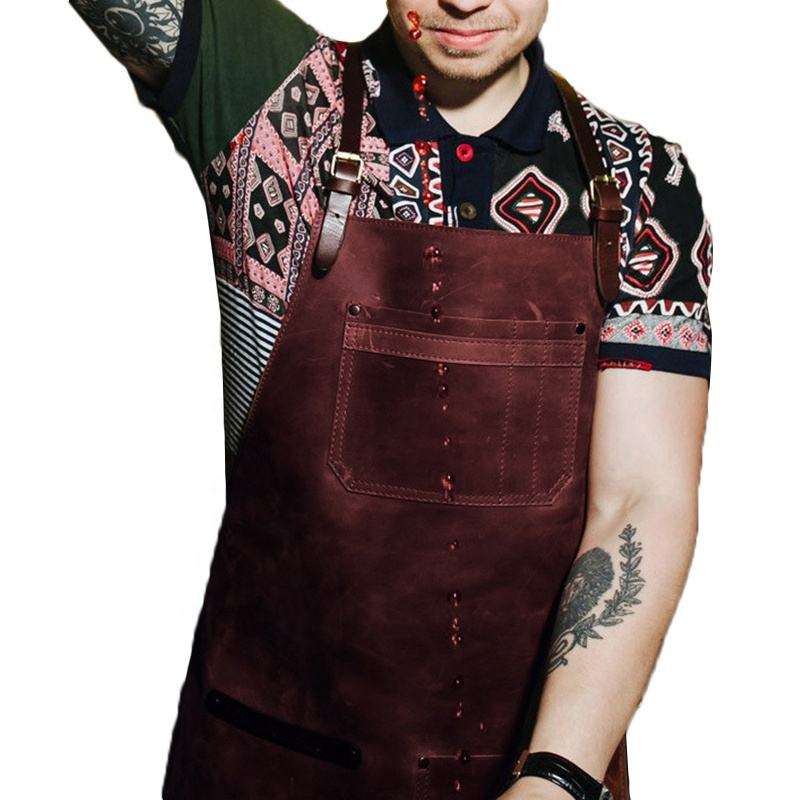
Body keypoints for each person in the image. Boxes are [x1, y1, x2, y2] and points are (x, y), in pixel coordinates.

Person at [70, 1, 713, 799]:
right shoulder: (265, 96)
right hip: (270, 768)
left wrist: (557, 778)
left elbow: (642, 498)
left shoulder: (641, 183)